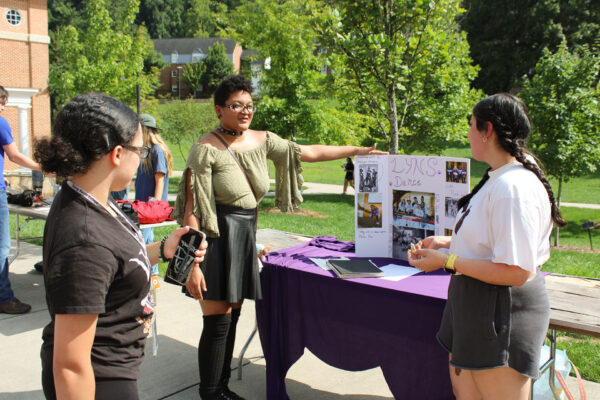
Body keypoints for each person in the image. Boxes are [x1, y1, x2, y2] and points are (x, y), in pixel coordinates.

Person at [173, 74, 387, 400]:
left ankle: (222, 388)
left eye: (249, 105)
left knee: (232, 315)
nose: (245, 111)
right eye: (236, 105)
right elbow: (192, 210)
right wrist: (191, 264)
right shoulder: (204, 149)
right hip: (213, 240)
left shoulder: (263, 140)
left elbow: (309, 151)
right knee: (217, 321)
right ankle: (210, 393)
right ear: (219, 109)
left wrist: (357, 151)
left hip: (243, 237)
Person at [34, 93, 207, 400]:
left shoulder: (94, 200)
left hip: (113, 367)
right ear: (116, 154)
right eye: (139, 151)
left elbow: (117, 263)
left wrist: (165, 248)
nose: (141, 158)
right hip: (99, 378)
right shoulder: (84, 238)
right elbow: (71, 366)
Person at [407, 93, 566, 400]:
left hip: (501, 311)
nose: (467, 133)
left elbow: (515, 270)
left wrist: (446, 260)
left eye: (471, 125)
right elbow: (498, 241)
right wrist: (448, 242)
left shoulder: (513, 187)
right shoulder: (504, 176)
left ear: (487, 130)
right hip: (477, 304)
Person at [0, 85, 45, 314]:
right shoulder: (1, 123)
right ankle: (3, 297)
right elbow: (14, 155)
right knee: (2, 247)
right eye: (2, 103)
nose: (4, 108)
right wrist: (43, 167)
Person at [134, 113, 173, 274]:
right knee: (144, 242)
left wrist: (155, 205)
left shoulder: (157, 151)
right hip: (141, 206)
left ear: (144, 130)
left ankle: (153, 280)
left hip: (150, 208)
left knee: (147, 245)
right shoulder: (145, 151)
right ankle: (149, 279)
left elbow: (160, 179)